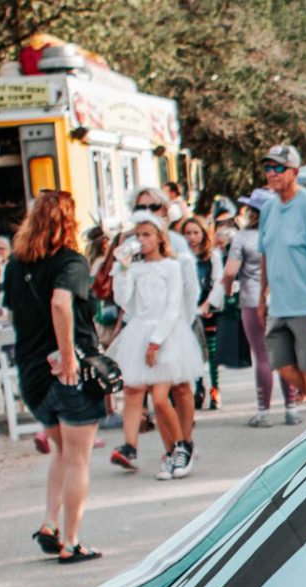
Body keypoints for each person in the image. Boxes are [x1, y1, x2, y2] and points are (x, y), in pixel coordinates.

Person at [1, 190, 104, 563]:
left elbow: (16, 316)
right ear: (69, 221)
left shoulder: (14, 264)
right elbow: (61, 302)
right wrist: (67, 355)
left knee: (60, 450)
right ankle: (72, 542)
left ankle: (49, 523)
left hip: (32, 373)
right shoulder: (70, 262)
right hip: (67, 371)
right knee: (78, 458)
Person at [108, 213, 204, 480]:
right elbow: (123, 299)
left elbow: (173, 306)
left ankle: (183, 446)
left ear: (160, 238)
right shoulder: (135, 268)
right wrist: (123, 269)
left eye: (147, 235)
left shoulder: (171, 266)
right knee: (149, 395)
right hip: (139, 330)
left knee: (163, 397)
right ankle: (172, 451)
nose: (141, 240)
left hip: (167, 334)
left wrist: (156, 341)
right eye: (138, 235)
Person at [257, 144, 306, 424]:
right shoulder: (267, 209)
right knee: (283, 365)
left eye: (278, 168)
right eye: (268, 168)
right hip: (278, 305)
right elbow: (265, 254)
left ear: (295, 172)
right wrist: (261, 296)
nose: (272, 173)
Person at [131, 186, 200, 476]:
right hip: (149, 327)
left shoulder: (179, 247)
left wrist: (181, 324)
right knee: (158, 395)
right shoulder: (134, 246)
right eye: (141, 206)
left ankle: (184, 446)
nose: (147, 211)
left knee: (182, 389)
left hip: (177, 325)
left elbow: (188, 290)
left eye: (153, 206)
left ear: (163, 209)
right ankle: (174, 448)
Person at [225, 189, 299, 427]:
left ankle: (264, 412)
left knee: (262, 356)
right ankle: (291, 408)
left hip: (251, 298)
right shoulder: (283, 232)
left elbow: (229, 272)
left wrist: (227, 289)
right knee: (286, 353)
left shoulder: (243, 237)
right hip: (283, 298)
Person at [180, 215, 226, 410]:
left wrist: (209, 304)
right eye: (188, 233)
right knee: (195, 353)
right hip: (189, 312)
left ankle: (215, 389)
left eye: (195, 232)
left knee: (213, 353)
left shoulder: (212, 255)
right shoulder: (181, 256)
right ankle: (198, 387)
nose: (192, 237)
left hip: (208, 311)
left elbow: (219, 281)